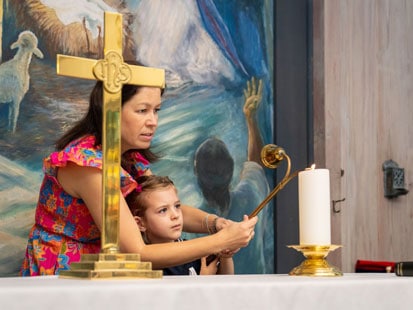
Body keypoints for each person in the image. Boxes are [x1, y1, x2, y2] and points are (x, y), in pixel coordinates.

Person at [20, 62, 257, 276]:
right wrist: (219, 241)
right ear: (111, 110)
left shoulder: (129, 157)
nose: (153, 121)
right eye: (142, 110)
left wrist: (216, 224)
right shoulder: (87, 165)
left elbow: (159, 206)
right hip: (67, 272)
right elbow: (138, 251)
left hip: (105, 269)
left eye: (157, 110)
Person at [193, 77, 271, 274]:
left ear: (197, 174)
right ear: (231, 171)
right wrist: (250, 119)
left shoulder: (190, 225)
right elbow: (256, 163)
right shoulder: (251, 196)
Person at [126, 174, 234, 275]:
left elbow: (227, 282)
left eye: (177, 206)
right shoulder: (147, 266)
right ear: (140, 223)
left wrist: (226, 257)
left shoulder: (194, 251)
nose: (175, 215)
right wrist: (203, 281)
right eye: (163, 210)